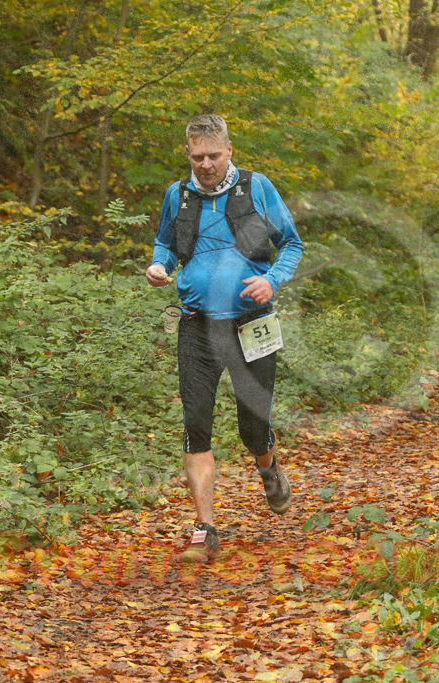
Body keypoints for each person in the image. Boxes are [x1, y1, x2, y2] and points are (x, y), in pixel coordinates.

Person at [146, 114, 304, 562]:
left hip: (251, 322)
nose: (206, 164)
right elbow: (165, 244)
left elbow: (291, 243)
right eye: (198, 157)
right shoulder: (177, 195)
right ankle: (205, 529)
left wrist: (271, 280)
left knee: (253, 426)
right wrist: (159, 266)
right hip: (196, 324)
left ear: (229, 151)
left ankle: (268, 464)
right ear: (188, 154)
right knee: (196, 421)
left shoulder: (256, 188)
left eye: (214, 155)